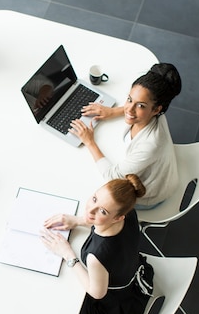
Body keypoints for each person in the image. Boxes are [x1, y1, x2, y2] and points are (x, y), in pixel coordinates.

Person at [40, 175, 151, 314]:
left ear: (118, 217)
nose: (90, 210)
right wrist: (77, 221)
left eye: (102, 211)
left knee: (57, 292)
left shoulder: (96, 256)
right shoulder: (130, 214)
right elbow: (103, 222)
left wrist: (68, 254)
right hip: (133, 273)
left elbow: (97, 293)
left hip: (114, 310)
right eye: (94, 199)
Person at [70, 63, 182, 208]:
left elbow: (112, 176)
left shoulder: (151, 145)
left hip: (149, 194)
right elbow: (135, 107)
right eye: (129, 99)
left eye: (140, 106)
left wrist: (89, 141)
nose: (129, 109)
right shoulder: (157, 113)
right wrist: (112, 111)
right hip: (158, 170)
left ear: (156, 109)